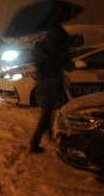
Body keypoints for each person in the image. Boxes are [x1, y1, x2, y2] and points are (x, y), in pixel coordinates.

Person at [29, 24, 74, 153]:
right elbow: (69, 66)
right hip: (53, 84)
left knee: (48, 113)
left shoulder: (43, 43)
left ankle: (51, 137)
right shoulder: (59, 47)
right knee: (47, 114)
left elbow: (36, 61)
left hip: (43, 83)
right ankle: (35, 142)